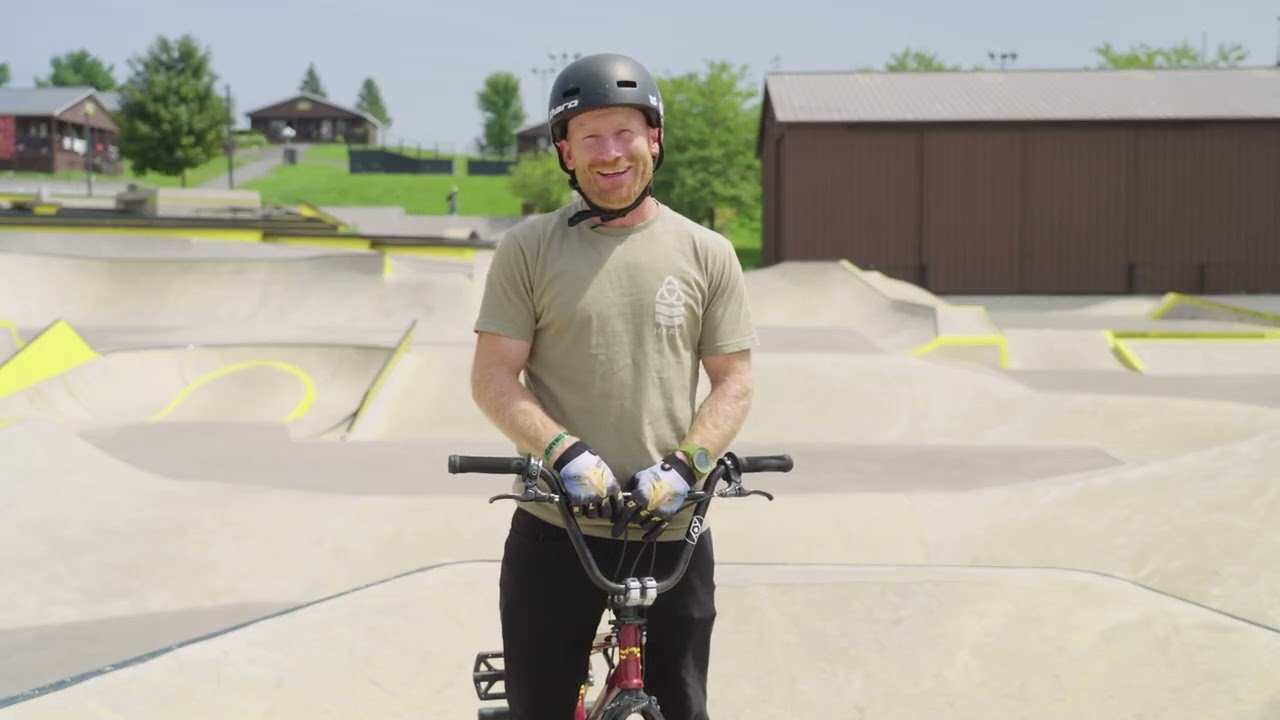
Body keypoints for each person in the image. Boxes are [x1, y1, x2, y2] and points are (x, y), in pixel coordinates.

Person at [468, 52, 757, 720]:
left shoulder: (705, 252)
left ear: (654, 137)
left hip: (672, 526)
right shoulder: (530, 250)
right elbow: (491, 377)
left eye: (625, 132)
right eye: (590, 137)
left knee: (682, 708)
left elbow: (733, 382)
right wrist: (564, 454)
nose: (610, 152)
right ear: (565, 151)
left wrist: (688, 467)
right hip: (554, 525)